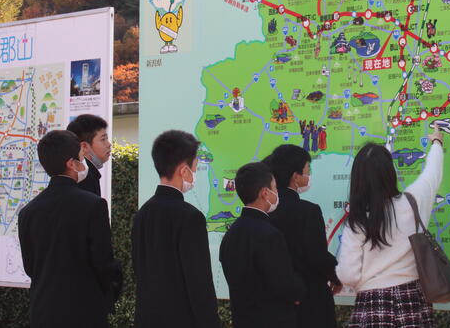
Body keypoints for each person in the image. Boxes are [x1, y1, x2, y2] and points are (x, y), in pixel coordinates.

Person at [337, 123, 445, 327]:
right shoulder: (412, 202)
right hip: (412, 302)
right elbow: (432, 173)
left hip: (371, 305)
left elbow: (347, 274)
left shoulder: (357, 221)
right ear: (390, 172)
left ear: (358, 179)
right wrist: (437, 143)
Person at [17, 130, 122, 328]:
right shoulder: (94, 205)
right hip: (84, 312)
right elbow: (104, 263)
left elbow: (30, 267)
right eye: (82, 157)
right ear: (71, 164)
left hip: (43, 312)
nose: (85, 163)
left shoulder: (28, 212)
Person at [131, 130, 220, 328]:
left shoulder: (142, 214)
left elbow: (139, 270)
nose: (195, 173)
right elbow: (199, 282)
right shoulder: (191, 217)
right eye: (195, 167)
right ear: (184, 171)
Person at [219, 162, 305, 328]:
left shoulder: (231, 234)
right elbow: (284, 284)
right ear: (265, 193)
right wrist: (299, 290)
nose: (277, 193)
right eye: (275, 188)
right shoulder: (270, 235)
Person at [263, 144, 340, 328]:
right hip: (310, 301)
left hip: (274, 304)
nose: (309, 175)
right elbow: (317, 255)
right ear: (295, 177)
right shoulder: (308, 211)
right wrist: (335, 275)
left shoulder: (264, 211)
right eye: (307, 170)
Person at [67, 114, 111, 196]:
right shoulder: (84, 177)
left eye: (107, 139)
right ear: (84, 147)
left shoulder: (78, 173)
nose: (109, 144)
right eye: (103, 139)